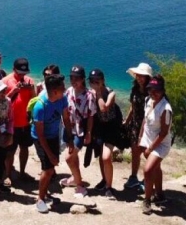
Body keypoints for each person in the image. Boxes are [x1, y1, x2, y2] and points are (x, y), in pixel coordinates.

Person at [31, 73, 72, 214]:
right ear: (54, 91)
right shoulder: (40, 107)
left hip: (54, 135)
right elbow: (40, 135)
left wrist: (70, 139)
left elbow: (66, 118)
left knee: (50, 168)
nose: (65, 89)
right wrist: (50, 154)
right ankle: (40, 199)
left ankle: (45, 194)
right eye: (62, 87)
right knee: (48, 169)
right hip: (41, 138)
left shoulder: (62, 99)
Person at [139, 75, 173, 215]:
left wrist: (151, 148)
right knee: (155, 168)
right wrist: (140, 137)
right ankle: (159, 195)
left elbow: (164, 133)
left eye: (156, 90)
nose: (153, 93)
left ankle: (147, 200)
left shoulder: (166, 109)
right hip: (148, 139)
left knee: (147, 170)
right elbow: (145, 120)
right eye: (150, 90)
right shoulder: (148, 100)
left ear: (163, 90)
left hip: (160, 144)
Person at [60, 65, 96, 198]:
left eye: (77, 78)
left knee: (69, 157)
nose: (73, 80)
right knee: (74, 156)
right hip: (68, 129)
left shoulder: (89, 95)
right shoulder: (69, 91)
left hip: (80, 131)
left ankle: (80, 185)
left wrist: (89, 133)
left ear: (82, 79)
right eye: (71, 77)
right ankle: (75, 178)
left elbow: (91, 115)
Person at [88, 68, 122, 200]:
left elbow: (104, 108)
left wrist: (98, 93)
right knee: (101, 157)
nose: (94, 83)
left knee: (106, 157)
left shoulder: (111, 93)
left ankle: (109, 187)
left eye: (97, 81)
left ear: (102, 81)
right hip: (99, 128)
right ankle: (104, 180)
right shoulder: (90, 93)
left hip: (111, 128)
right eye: (91, 81)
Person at [2, 57, 36, 183]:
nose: (22, 75)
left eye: (24, 73)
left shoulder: (29, 81)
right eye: (19, 72)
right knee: (10, 151)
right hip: (11, 123)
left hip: (25, 123)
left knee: (24, 148)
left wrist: (31, 89)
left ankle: (22, 172)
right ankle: (8, 174)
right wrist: (14, 90)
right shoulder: (5, 81)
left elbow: (34, 100)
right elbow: (0, 101)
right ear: (13, 69)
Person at [123, 62, 153, 191]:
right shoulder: (135, 89)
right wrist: (127, 121)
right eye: (138, 75)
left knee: (148, 154)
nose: (140, 78)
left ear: (147, 78)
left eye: (143, 76)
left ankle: (150, 179)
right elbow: (132, 106)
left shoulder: (151, 92)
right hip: (136, 125)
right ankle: (134, 177)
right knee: (135, 152)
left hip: (148, 127)